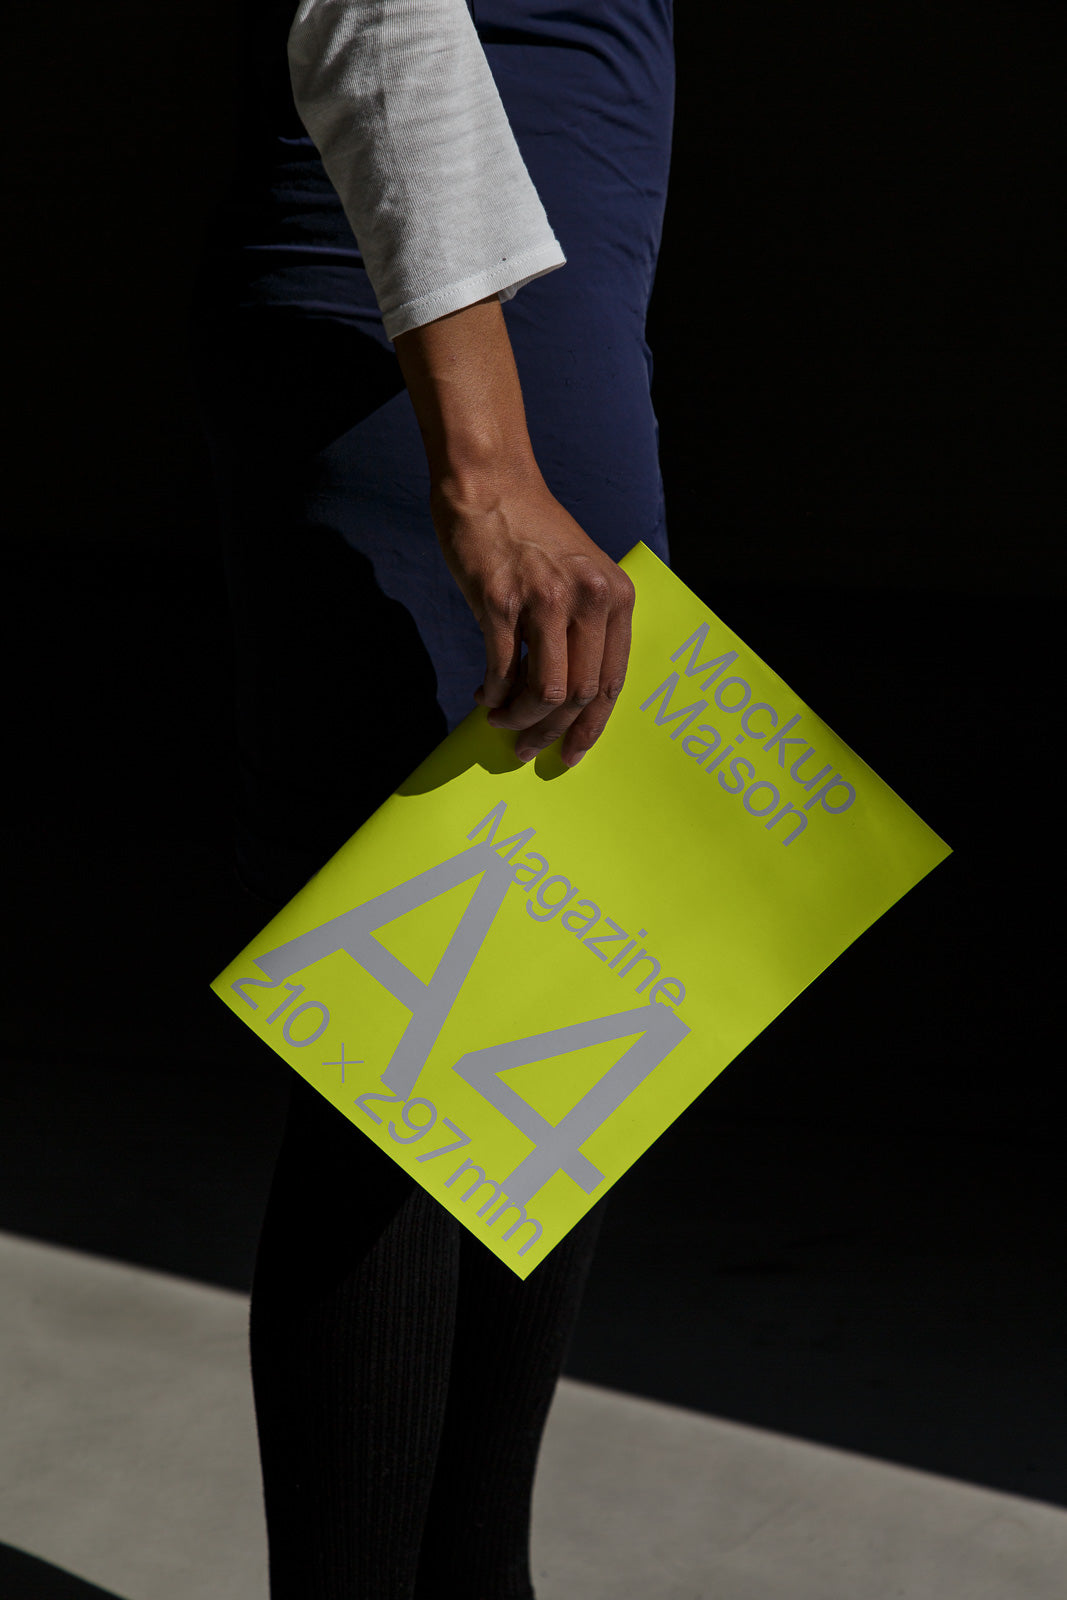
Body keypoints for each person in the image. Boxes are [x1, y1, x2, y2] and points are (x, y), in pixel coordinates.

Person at [185, 1, 675, 1594]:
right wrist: (485, 461)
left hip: (530, 327)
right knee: (408, 1089)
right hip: (436, 348)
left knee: (530, 1057)